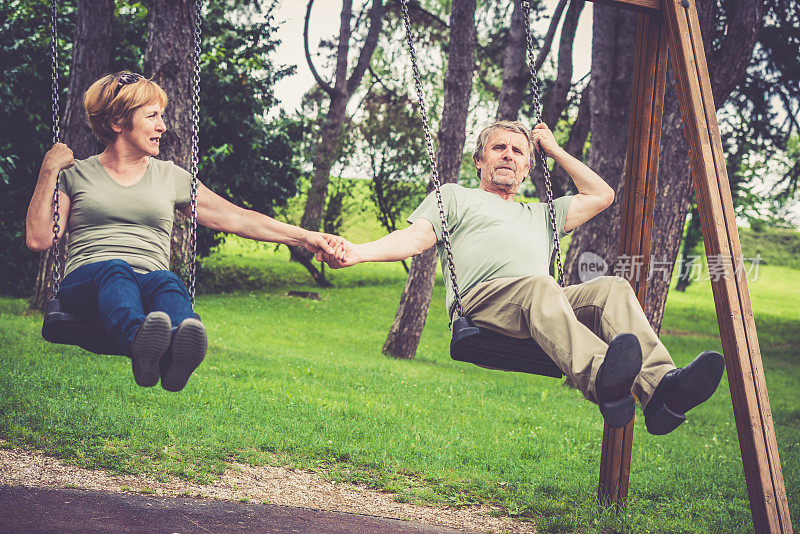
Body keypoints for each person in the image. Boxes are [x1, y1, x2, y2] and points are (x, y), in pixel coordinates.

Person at [320, 120, 725, 435]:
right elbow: (413, 238)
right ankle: (604, 379)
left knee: (612, 289)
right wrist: (358, 252)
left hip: (540, 304)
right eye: (498, 148)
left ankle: (663, 391)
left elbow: (602, 195)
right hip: (484, 306)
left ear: (529, 167)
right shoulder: (456, 197)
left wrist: (553, 148)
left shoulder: (540, 213)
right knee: (541, 284)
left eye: (518, 151)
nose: (508, 156)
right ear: (480, 160)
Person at [26, 72, 344, 392]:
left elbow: (237, 218)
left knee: (167, 280)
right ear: (117, 122)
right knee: (116, 270)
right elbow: (40, 238)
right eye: (152, 116)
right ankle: (142, 343)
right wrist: (49, 170)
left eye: (161, 116)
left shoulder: (171, 178)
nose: (162, 126)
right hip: (87, 287)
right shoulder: (76, 175)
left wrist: (305, 237)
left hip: (146, 288)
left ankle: (176, 354)